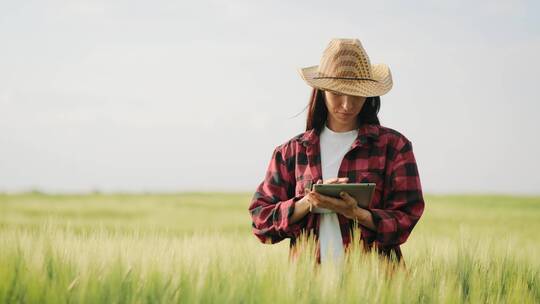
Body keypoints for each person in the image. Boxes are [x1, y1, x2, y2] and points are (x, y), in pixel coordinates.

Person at [248, 38, 425, 265]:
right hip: (308, 286)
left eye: (356, 94)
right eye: (337, 93)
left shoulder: (394, 147)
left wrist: (357, 213)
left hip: (378, 284)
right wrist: (308, 202)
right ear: (321, 90)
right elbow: (260, 222)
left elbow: (407, 217)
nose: (347, 105)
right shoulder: (290, 153)